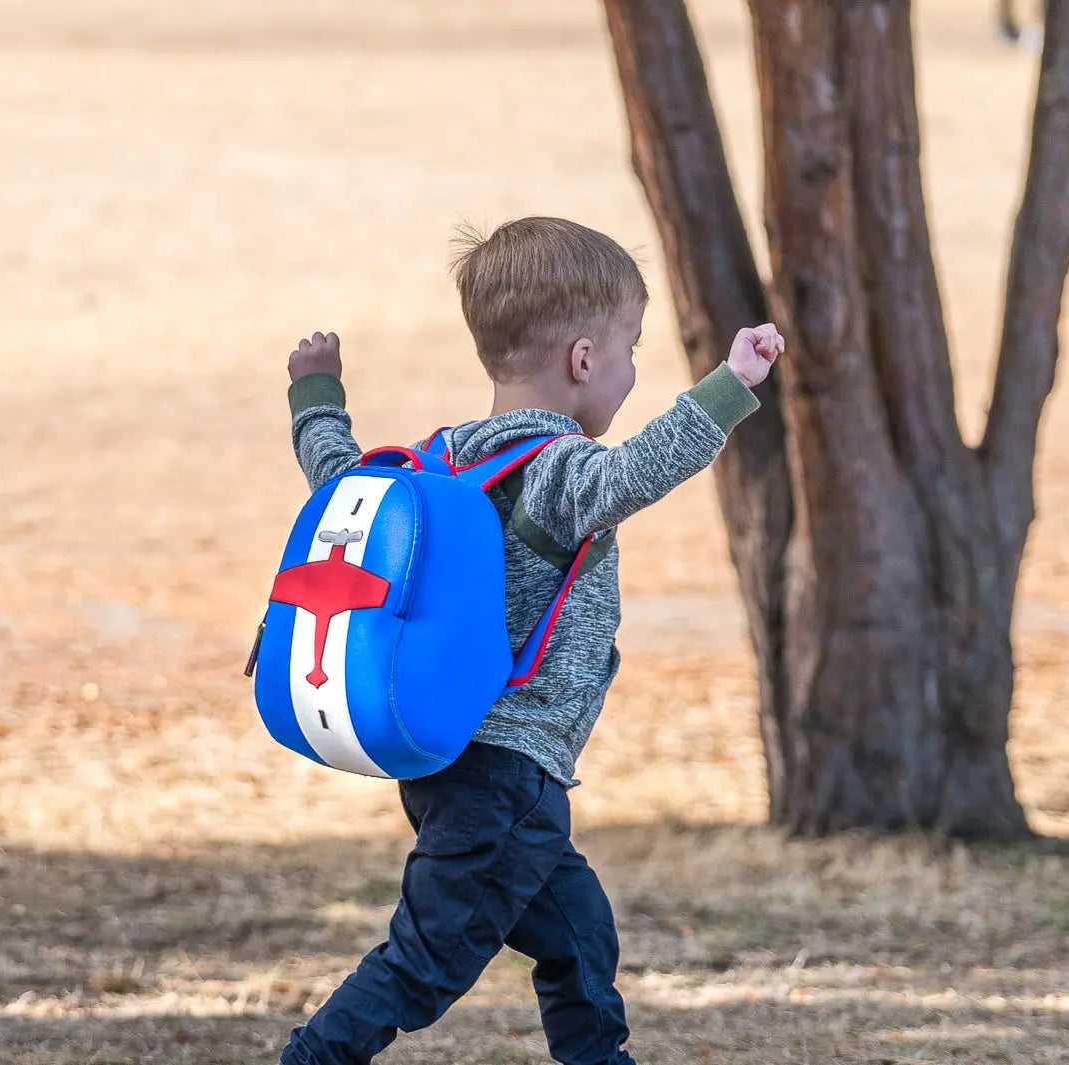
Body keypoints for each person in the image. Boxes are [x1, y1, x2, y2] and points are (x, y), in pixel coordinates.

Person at [276, 216, 782, 1065]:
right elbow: (640, 469)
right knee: (427, 962)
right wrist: (732, 385)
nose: (630, 370)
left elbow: (336, 478)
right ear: (584, 360)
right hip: (506, 774)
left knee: (578, 932)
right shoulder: (558, 470)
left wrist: (317, 395)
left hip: (451, 762)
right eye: (630, 349)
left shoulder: (437, 464)